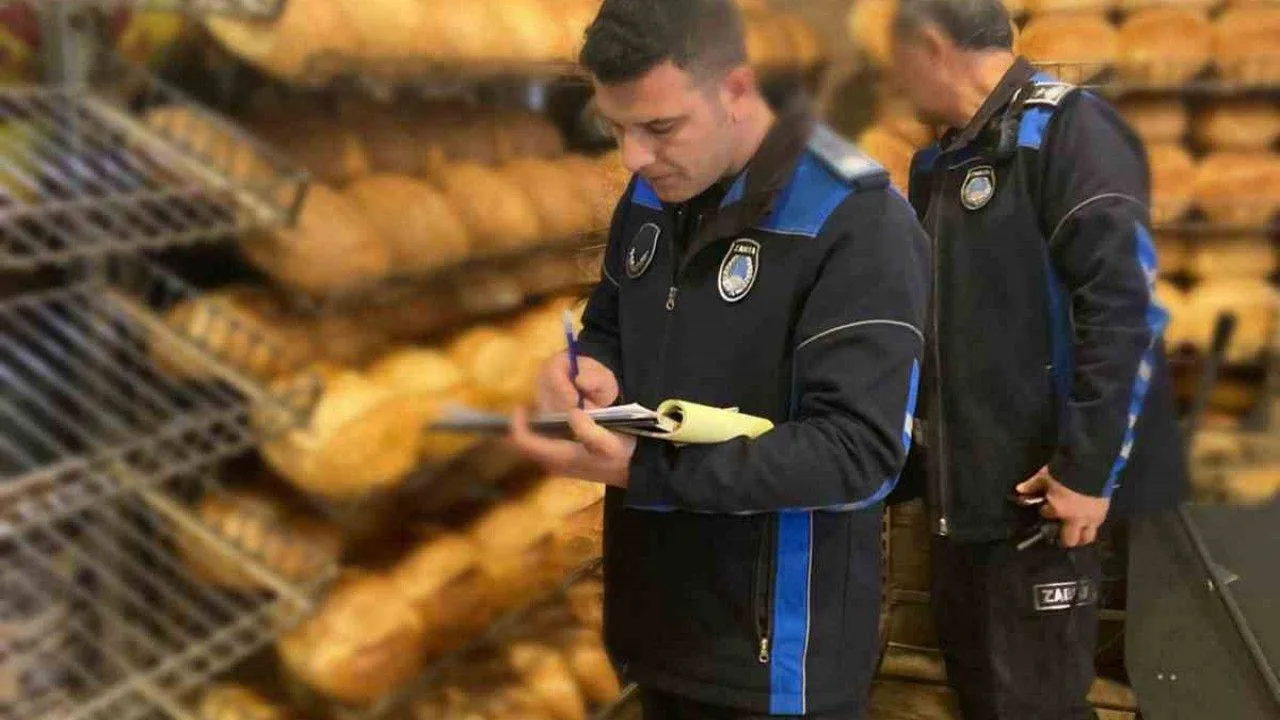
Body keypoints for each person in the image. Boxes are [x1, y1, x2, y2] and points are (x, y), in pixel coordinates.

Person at [507, 0, 931, 717]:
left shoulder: (857, 220)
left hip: (775, 660)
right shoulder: (650, 195)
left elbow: (859, 453)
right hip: (656, 629)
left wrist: (645, 470)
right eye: (616, 129)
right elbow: (610, 324)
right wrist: (590, 369)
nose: (633, 158)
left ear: (736, 88)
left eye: (659, 128)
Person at [887, 0, 1189, 717]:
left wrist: (1087, 469)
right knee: (983, 699)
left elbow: (1125, 310)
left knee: (1035, 705)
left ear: (930, 47)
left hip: (1041, 506)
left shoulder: (1069, 129)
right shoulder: (939, 161)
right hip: (961, 507)